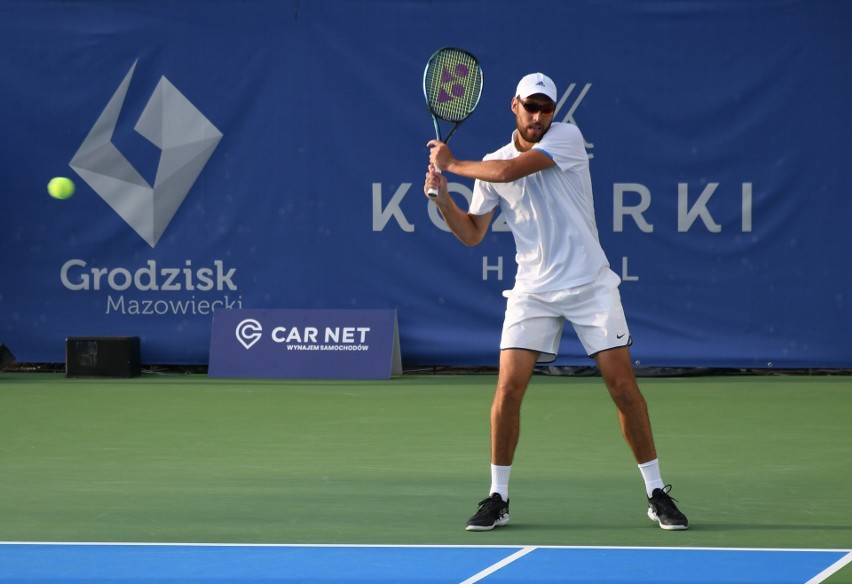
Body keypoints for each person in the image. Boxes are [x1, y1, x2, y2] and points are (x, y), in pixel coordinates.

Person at [423, 73, 688, 532]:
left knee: (623, 388)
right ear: (514, 106)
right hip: (533, 290)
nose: (539, 116)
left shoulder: (565, 137)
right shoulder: (490, 162)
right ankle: (498, 498)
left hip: (590, 285)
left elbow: (508, 172)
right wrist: (444, 197)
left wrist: (452, 164)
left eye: (546, 108)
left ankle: (656, 492)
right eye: (531, 107)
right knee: (507, 391)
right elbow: (471, 234)